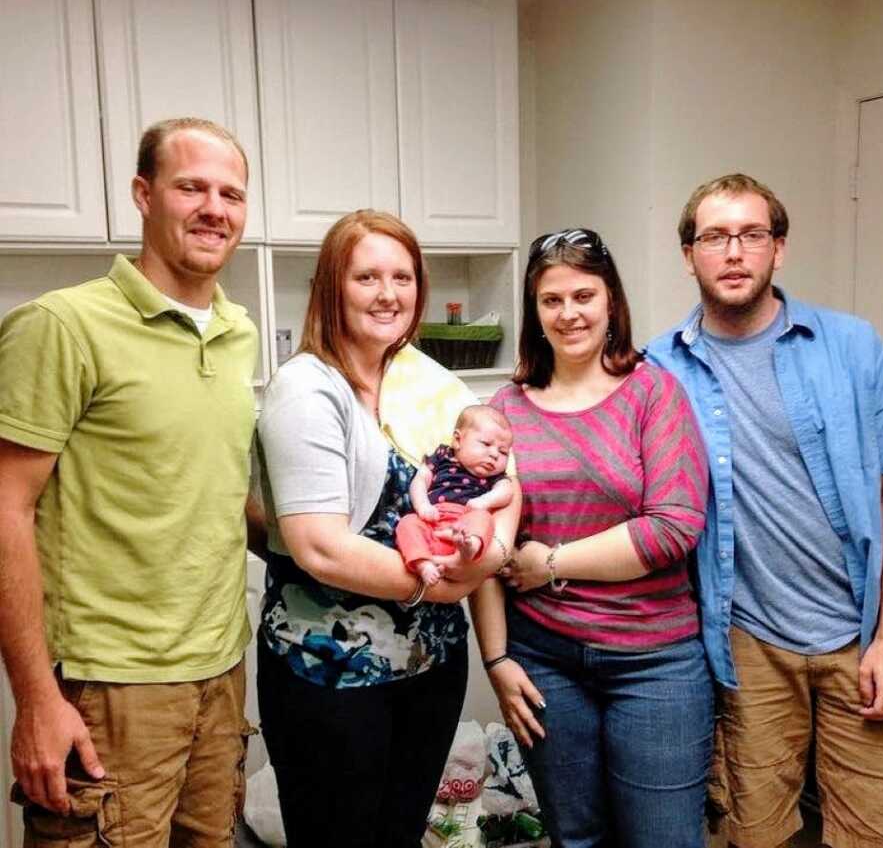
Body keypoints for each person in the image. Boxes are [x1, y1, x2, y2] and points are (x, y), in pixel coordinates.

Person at [0, 117, 260, 846]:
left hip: (220, 671)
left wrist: (323, 546)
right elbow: (6, 509)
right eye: (192, 187)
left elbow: (207, 484)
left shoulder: (237, 332)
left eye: (231, 193)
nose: (215, 207)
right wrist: (35, 699)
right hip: (110, 684)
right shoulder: (62, 326)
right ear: (144, 195)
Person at [646, 173, 883, 848]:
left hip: (861, 632)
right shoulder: (657, 369)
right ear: (689, 253)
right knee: (753, 833)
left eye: (751, 235)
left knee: (875, 831)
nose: (734, 252)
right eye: (714, 237)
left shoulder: (852, 347)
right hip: (747, 641)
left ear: (778, 248)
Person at [254, 209, 520, 848]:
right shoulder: (307, 388)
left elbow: (504, 476)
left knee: (401, 835)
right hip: (332, 677)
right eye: (366, 276)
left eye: (403, 277)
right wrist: (448, 586)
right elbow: (319, 546)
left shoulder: (425, 385)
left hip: (430, 667)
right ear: (331, 287)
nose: (388, 293)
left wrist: (497, 545)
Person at [472, 228, 712, 848]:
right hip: (545, 661)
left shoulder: (652, 392)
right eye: (552, 300)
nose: (569, 312)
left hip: (655, 665)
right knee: (576, 838)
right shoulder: (506, 411)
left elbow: (672, 527)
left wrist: (549, 562)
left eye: (584, 295)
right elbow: (484, 544)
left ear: (611, 303)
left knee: (662, 838)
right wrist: (497, 660)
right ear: (535, 311)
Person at [396, 404, 514, 585]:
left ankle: (469, 547)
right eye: (486, 444)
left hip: (467, 519)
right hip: (433, 519)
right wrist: (423, 506)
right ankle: (423, 563)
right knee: (406, 523)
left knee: (484, 518)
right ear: (458, 440)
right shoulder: (442, 456)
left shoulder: (495, 477)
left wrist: (484, 501)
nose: (494, 454)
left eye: (503, 451)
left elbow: (507, 491)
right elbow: (420, 480)